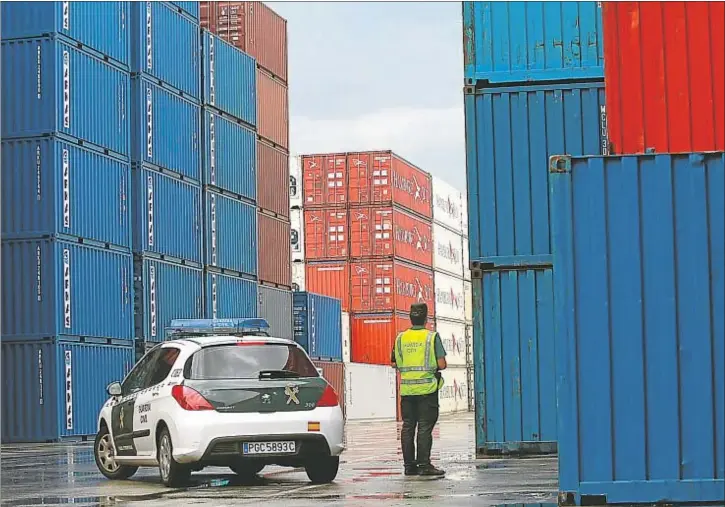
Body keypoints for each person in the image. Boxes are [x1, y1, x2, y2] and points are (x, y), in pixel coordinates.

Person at [390, 302, 447, 477]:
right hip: (427, 391)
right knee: (424, 427)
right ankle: (424, 465)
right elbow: (441, 364)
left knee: (408, 427)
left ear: (410, 317)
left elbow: (394, 362)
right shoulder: (431, 337)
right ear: (426, 318)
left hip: (407, 391)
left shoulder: (400, 338)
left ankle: (409, 467)